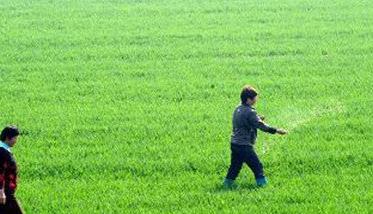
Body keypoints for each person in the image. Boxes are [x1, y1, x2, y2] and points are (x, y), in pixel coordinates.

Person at [223, 85, 287, 188]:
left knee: (235, 167)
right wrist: (277, 131)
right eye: (254, 98)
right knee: (257, 166)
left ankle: (226, 185)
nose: (256, 100)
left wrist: (257, 118)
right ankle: (263, 187)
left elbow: (245, 121)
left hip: (235, 144)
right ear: (248, 99)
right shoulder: (250, 112)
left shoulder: (238, 108)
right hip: (244, 146)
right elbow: (261, 126)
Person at [0, 125, 23, 213]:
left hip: (7, 192)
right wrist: (1, 191)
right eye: (15, 138)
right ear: (7, 138)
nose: (16, 141)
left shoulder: (4, 150)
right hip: (6, 193)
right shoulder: (2, 152)